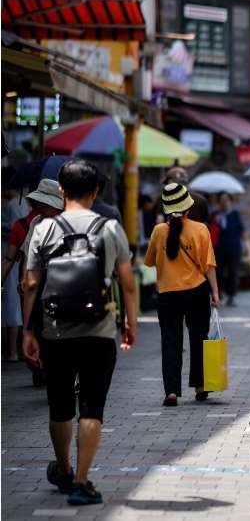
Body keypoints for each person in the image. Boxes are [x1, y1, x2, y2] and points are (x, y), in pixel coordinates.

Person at [22, 159, 137, 505]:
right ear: (96, 191)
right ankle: (82, 480)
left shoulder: (43, 228)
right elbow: (128, 285)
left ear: (60, 191)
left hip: (55, 332)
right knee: (91, 407)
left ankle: (63, 468)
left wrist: (29, 331)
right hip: (99, 330)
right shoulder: (110, 228)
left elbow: (30, 284)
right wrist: (130, 324)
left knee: (59, 406)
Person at [144, 183, 220, 407]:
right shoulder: (200, 229)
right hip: (196, 291)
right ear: (188, 207)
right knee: (198, 339)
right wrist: (215, 292)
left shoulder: (159, 231)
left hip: (167, 294)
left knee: (170, 341)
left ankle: (172, 392)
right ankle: (200, 385)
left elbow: (150, 261)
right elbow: (209, 266)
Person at [2, 179, 64, 363]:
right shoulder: (36, 222)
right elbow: (28, 256)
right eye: (40, 203)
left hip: (61, 288)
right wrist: (24, 279)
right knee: (39, 329)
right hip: (38, 288)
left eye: (45, 203)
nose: (41, 207)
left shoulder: (67, 224)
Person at [215, 192, 244, 307]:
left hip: (233, 247)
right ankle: (219, 294)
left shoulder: (235, 214)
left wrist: (245, 245)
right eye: (222, 200)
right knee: (219, 271)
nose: (224, 202)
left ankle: (231, 296)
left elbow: (241, 230)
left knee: (233, 271)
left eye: (226, 200)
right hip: (219, 248)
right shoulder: (216, 214)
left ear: (230, 202)